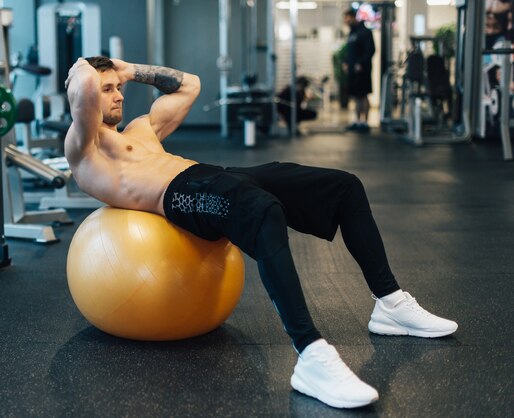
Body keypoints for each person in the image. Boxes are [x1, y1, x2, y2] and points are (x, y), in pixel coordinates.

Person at [64, 56, 458, 409]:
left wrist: (131, 71)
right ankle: (311, 356)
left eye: (119, 88)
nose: (118, 95)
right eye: (108, 89)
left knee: (343, 187)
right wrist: (91, 66)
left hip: (215, 175)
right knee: (263, 212)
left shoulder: (141, 129)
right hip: (181, 198)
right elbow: (82, 85)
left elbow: (191, 84)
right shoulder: (85, 148)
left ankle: (389, 303)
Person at [342, 8, 375, 134]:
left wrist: (360, 64)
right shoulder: (352, 33)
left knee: (363, 95)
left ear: (353, 17)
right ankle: (357, 121)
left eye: (347, 18)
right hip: (352, 71)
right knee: (355, 96)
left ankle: (365, 122)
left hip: (363, 71)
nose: (345, 21)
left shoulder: (365, 32)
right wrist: (345, 62)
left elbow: (371, 50)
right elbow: (349, 51)